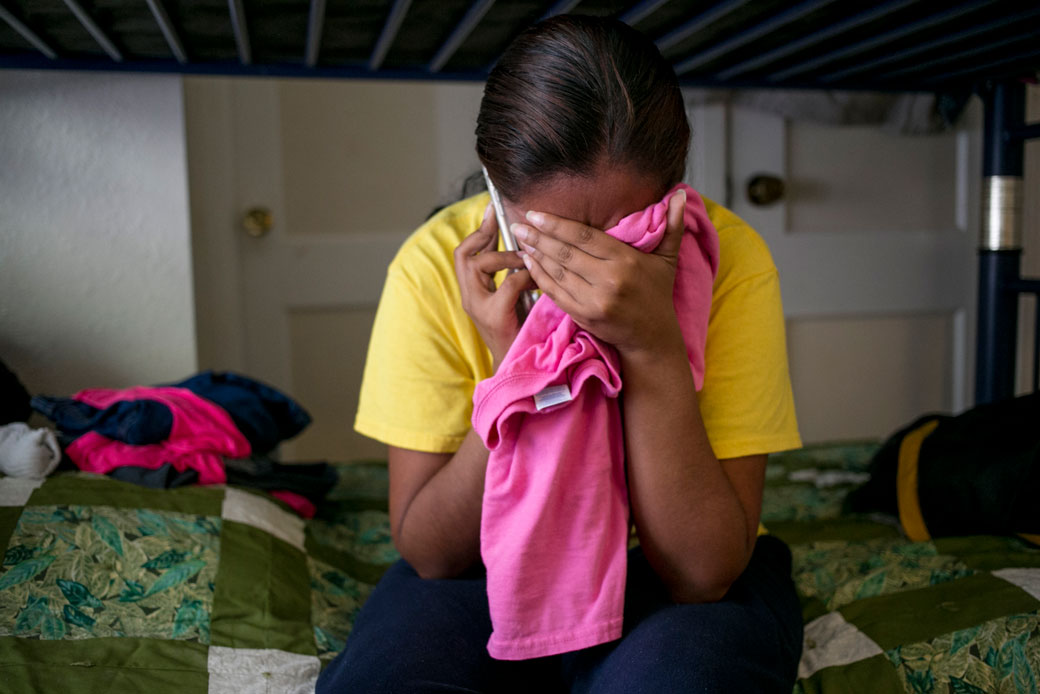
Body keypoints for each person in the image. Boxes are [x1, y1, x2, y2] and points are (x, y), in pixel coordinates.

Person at [317, 14, 803, 693]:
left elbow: (702, 573)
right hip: (486, 567)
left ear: (673, 195)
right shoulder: (433, 265)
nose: (591, 277)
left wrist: (654, 347)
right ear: (495, 189)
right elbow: (431, 554)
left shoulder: (727, 262)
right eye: (553, 238)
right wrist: (519, 373)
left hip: (669, 587)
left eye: (621, 238)